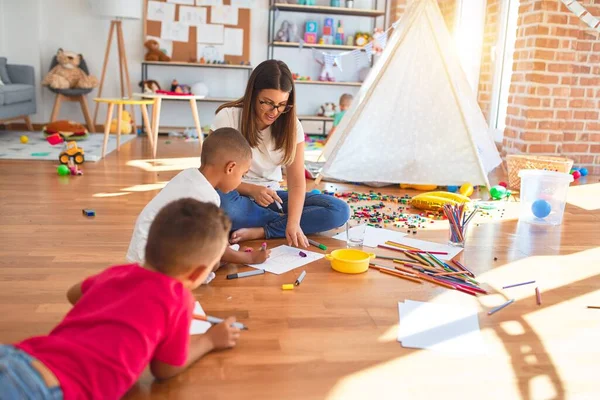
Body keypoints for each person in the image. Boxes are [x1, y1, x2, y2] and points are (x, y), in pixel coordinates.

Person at [2, 199, 241, 399]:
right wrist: (210, 340)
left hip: (21, 356)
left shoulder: (118, 273)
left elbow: (73, 293)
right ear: (199, 273)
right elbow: (165, 369)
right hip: (43, 390)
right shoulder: (178, 299)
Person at [211, 60, 350, 247]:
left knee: (339, 210)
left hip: (272, 197)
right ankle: (284, 220)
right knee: (225, 207)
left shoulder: (292, 126)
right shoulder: (227, 117)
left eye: (282, 104)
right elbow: (212, 175)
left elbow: (296, 181)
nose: (274, 112)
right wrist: (252, 189)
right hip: (234, 194)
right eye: (267, 103)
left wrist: (293, 222)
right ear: (253, 95)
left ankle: (264, 229)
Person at [127, 127, 270, 273]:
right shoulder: (206, 196)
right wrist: (249, 258)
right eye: (243, 174)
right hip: (156, 264)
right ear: (230, 168)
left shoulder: (188, 175)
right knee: (211, 259)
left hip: (142, 254)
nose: (242, 180)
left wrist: (234, 252)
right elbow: (215, 249)